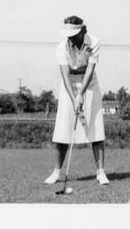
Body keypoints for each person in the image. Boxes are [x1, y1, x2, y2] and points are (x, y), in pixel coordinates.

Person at [44, 16, 109, 185]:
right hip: (69, 84)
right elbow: (65, 76)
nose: (70, 37)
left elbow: (90, 69)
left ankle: (100, 172)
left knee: (96, 127)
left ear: (82, 30)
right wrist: (74, 97)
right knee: (63, 128)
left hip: (90, 82)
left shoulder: (94, 41)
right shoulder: (61, 47)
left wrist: (81, 93)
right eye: (68, 34)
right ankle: (57, 172)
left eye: (73, 34)